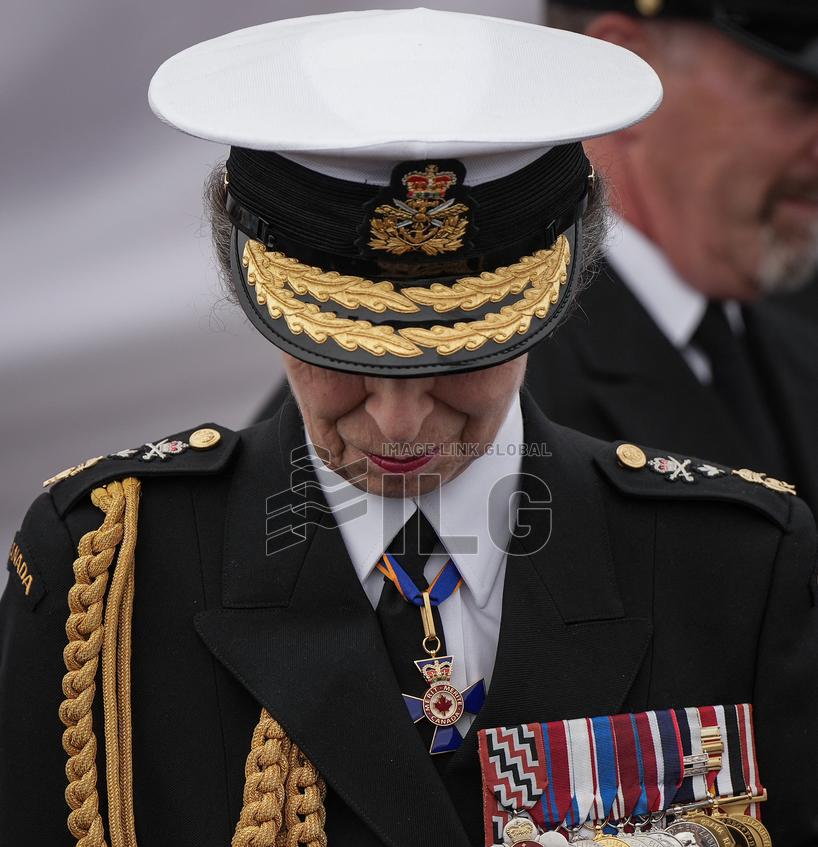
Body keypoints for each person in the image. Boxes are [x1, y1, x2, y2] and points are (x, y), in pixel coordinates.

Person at [1, 9, 817, 847]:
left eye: (459, 361)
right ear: (245, 284)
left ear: (555, 292)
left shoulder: (724, 560)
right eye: (339, 356)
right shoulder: (110, 569)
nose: (395, 420)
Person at [258, 1, 818, 512]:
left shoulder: (788, 334)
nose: (398, 408)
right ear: (627, 63)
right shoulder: (420, 362)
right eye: (801, 98)